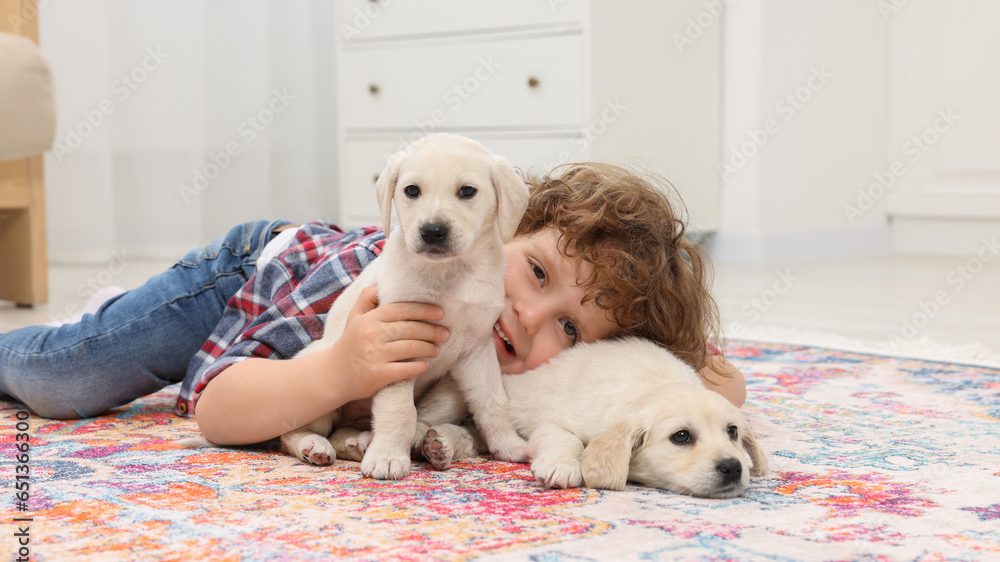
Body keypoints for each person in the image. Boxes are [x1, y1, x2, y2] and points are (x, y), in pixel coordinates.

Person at [0, 162, 743, 444]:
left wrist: (698, 381)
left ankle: (109, 310)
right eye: (538, 275)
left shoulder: (514, 359)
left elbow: (639, 382)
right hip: (246, 281)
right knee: (64, 381)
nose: (527, 319)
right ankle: (96, 321)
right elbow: (219, 410)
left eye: (572, 328)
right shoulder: (389, 290)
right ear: (499, 225)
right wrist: (338, 373)